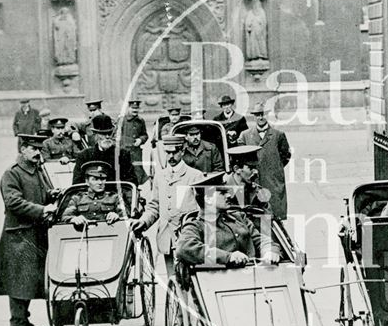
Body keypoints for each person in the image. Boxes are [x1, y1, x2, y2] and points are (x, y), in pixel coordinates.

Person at [0, 134, 57, 326]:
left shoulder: (37, 170)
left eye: (39, 149)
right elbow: (13, 202)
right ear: (23, 149)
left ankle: (25, 321)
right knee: (18, 280)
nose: (38, 152)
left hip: (34, 231)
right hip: (19, 234)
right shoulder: (12, 174)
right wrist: (42, 209)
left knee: (30, 279)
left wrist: (53, 195)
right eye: (33, 148)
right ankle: (17, 325)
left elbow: (43, 194)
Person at [129, 135, 205, 276]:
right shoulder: (160, 176)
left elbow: (203, 209)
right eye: (167, 152)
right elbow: (155, 205)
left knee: (190, 281)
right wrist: (143, 221)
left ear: (182, 151)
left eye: (175, 152)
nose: (171, 156)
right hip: (166, 238)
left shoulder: (195, 176)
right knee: (173, 282)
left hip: (187, 239)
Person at [175, 172, 280, 271]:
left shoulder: (239, 217)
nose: (229, 196)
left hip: (255, 276)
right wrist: (228, 257)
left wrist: (269, 251)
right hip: (219, 282)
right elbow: (184, 248)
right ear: (208, 199)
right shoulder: (196, 226)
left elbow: (260, 240)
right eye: (222, 192)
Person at [238, 102, 292, 220]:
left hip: (272, 182)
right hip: (253, 182)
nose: (261, 117)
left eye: (263, 114)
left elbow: (286, 156)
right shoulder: (245, 136)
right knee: (254, 216)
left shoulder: (278, 135)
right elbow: (240, 159)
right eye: (257, 115)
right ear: (254, 116)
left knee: (274, 217)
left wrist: (274, 168)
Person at [72, 114, 138, 185]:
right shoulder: (84, 156)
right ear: (95, 134)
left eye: (109, 133)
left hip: (115, 194)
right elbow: (77, 183)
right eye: (103, 134)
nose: (107, 137)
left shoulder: (122, 154)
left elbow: (132, 181)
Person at [62, 161, 124, 226]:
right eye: (95, 179)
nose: (100, 183)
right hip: (83, 234)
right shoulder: (77, 199)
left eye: (102, 179)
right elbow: (65, 217)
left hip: (111, 233)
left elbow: (126, 216)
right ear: (87, 181)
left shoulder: (114, 197)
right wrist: (74, 219)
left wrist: (116, 216)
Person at [224, 144, 272, 210]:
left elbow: (267, 217)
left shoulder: (258, 191)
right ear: (237, 169)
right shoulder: (222, 192)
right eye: (251, 168)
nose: (256, 172)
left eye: (256, 167)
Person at [118, 99, 149, 185]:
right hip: (124, 151)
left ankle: (137, 193)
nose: (135, 110)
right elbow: (115, 136)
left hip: (136, 153)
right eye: (133, 108)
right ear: (128, 108)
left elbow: (145, 135)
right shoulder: (122, 120)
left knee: (137, 172)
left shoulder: (141, 121)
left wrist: (141, 140)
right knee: (125, 172)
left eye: (137, 108)